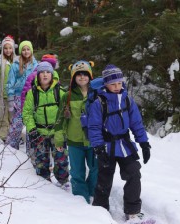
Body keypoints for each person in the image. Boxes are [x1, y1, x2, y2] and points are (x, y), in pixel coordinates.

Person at [88, 64, 151, 222]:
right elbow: (94, 127)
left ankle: (132, 211)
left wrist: (144, 143)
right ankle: (100, 212)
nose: (117, 86)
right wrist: (98, 147)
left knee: (134, 174)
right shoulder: (99, 103)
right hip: (107, 146)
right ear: (106, 84)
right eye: (112, 84)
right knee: (104, 179)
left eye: (119, 83)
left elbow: (136, 123)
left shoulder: (127, 100)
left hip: (125, 145)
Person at [54, 60, 98, 204]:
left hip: (94, 140)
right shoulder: (67, 96)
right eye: (78, 74)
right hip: (75, 141)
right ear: (73, 77)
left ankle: (92, 192)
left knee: (96, 169)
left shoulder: (97, 94)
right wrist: (59, 140)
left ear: (90, 76)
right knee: (77, 172)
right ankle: (81, 199)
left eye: (85, 74)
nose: (82, 77)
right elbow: (60, 119)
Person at [23, 62, 69, 186]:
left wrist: (63, 129)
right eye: (42, 72)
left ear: (52, 75)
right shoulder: (32, 93)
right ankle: (45, 185)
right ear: (37, 75)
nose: (45, 75)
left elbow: (66, 111)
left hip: (57, 133)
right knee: (41, 161)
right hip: (39, 133)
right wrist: (32, 129)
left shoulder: (60, 92)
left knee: (61, 160)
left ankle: (63, 182)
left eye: (48, 72)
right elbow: (27, 113)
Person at [6, 40, 38, 149]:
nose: (26, 51)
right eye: (23, 50)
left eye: (28, 49)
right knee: (17, 122)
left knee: (30, 121)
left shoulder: (36, 65)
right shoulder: (15, 65)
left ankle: (31, 147)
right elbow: (10, 82)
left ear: (31, 50)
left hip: (31, 97)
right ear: (20, 51)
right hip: (18, 96)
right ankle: (11, 146)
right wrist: (10, 98)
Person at [0, 35, 16, 142]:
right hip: (2, 95)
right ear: (2, 49)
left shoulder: (17, 61)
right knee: (2, 118)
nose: (8, 50)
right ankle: (3, 137)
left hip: (14, 95)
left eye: (10, 48)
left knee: (13, 118)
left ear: (13, 49)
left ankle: (14, 136)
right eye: (5, 48)